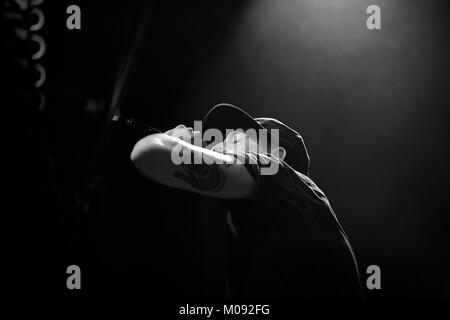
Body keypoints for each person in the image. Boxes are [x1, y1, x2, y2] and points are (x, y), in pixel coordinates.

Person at [130, 103, 362, 299]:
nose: (222, 140)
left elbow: (150, 154)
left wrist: (168, 141)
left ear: (276, 154)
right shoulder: (249, 224)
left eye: (237, 134)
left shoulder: (283, 178)